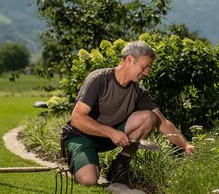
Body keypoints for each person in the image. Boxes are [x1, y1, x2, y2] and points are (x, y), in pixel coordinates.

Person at [61, 40, 196, 186]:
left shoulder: (138, 92)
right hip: (80, 137)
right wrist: (111, 133)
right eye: (144, 67)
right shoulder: (99, 79)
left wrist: (186, 145)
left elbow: (162, 122)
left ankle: (119, 167)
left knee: (149, 117)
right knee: (88, 180)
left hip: (107, 139)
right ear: (130, 59)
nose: (147, 72)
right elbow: (77, 119)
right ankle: (83, 161)